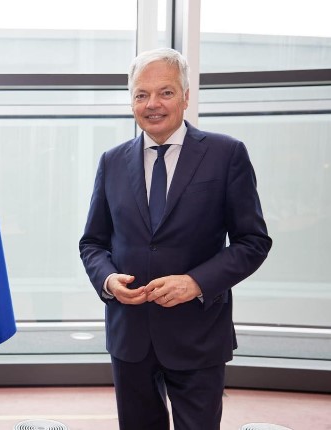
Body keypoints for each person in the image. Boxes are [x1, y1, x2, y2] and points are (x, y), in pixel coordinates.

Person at [79, 48, 272, 430]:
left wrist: (195, 282)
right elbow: (93, 243)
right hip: (129, 335)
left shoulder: (226, 154)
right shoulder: (111, 161)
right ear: (131, 101)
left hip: (198, 334)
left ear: (185, 96)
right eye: (141, 94)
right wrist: (108, 279)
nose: (152, 104)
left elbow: (253, 241)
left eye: (165, 92)